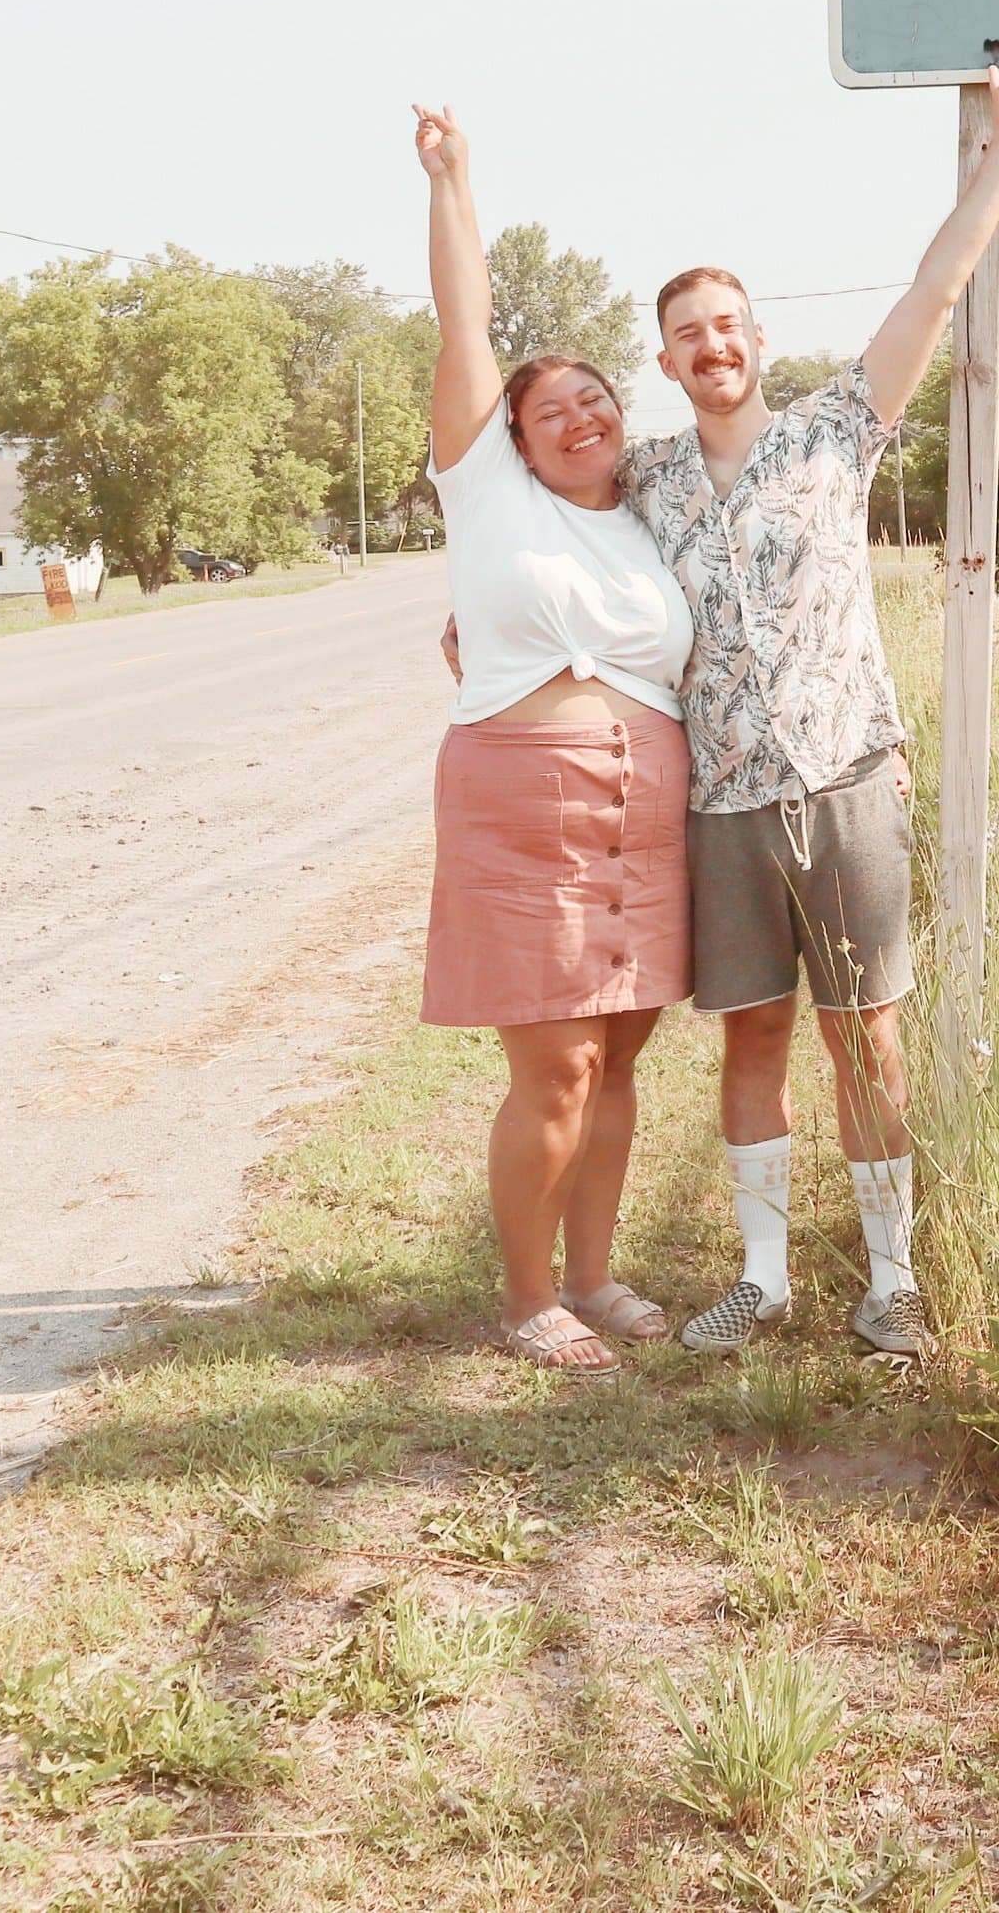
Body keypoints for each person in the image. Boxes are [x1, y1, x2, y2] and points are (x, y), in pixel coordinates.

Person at [626, 53, 999, 1358]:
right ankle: (761, 1279)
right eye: (689, 330)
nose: (714, 343)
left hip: (849, 780)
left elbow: (938, 286)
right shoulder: (638, 483)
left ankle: (893, 1280)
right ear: (668, 358)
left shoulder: (833, 432)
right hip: (725, 806)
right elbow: (529, 524)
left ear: (757, 333)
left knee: (868, 1040)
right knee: (752, 1036)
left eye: (729, 321)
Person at [412, 102, 698, 1374]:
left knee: (622, 1052)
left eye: (594, 399)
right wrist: (456, 181)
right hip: (524, 800)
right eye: (550, 410)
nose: (576, 416)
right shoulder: (486, 493)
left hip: (649, 803)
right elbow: (463, 323)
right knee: (558, 1064)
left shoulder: (652, 523)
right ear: (512, 438)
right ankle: (528, 1295)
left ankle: (594, 1273)